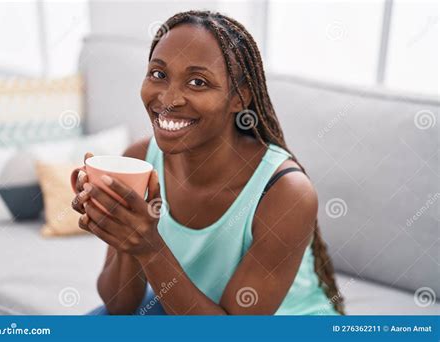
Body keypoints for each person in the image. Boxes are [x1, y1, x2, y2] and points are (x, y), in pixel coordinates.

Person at [73, 10, 345, 315]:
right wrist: (123, 234)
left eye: (198, 82)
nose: (169, 99)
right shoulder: (140, 160)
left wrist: (149, 248)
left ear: (239, 98)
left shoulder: (286, 193)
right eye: (159, 74)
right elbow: (119, 307)